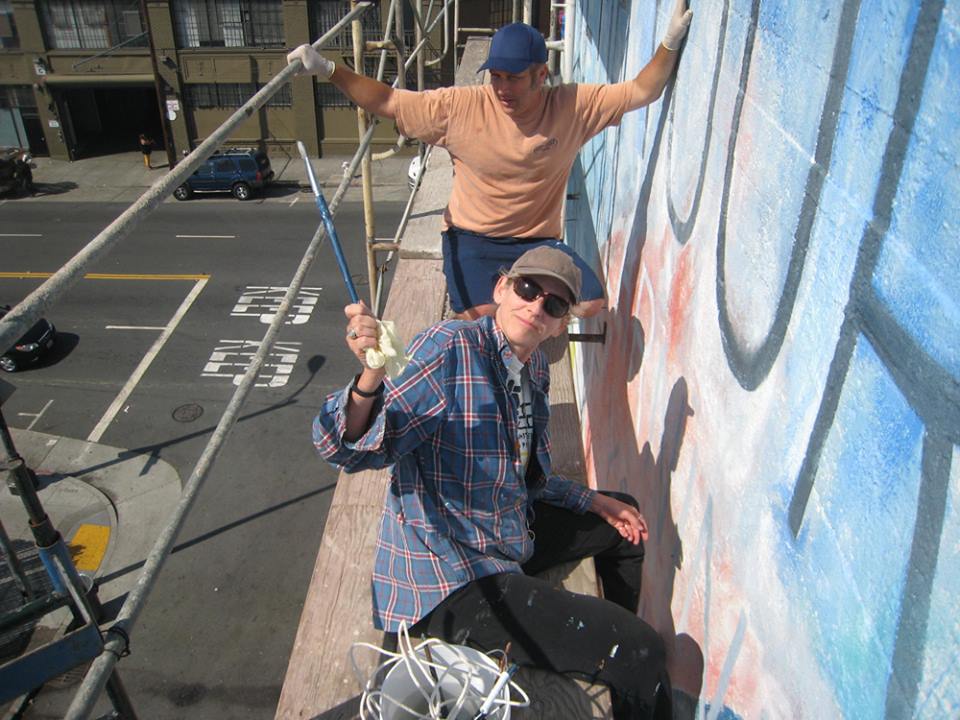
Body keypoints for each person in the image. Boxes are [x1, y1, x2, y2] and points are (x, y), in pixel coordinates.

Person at [313, 246, 671, 719]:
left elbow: (528, 478)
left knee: (625, 516)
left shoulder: (534, 368)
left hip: (504, 533)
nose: (536, 306)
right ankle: (619, 662)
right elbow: (349, 448)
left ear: (560, 324)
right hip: (450, 576)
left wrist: (592, 498)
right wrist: (371, 376)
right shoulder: (447, 348)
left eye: (554, 304)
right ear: (501, 288)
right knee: (641, 652)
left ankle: (607, 646)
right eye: (527, 289)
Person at [288, 1, 692, 320]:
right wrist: (328, 69)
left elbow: (642, 90)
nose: (502, 88)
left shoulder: (573, 106)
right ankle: (514, 321)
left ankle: (523, 312)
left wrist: (670, 42)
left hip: (538, 243)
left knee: (589, 304)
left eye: (514, 77)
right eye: (496, 75)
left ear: (540, 75)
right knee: (483, 320)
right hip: (473, 238)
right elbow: (390, 101)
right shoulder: (461, 107)